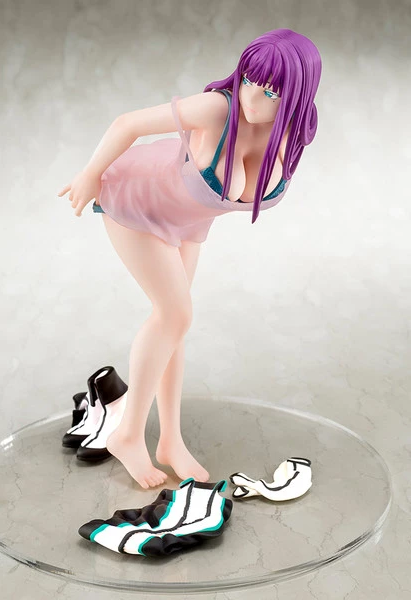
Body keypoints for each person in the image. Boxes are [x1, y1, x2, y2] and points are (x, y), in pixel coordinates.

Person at [57, 28, 322, 490]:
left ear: (296, 96)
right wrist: (90, 173)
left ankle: (170, 440)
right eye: (249, 81)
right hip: (137, 201)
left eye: (271, 92)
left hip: (188, 224)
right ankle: (127, 435)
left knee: (174, 328)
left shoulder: (293, 132)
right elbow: (128, 123)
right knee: (175, 315)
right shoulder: (217, 108)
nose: (252, 98)